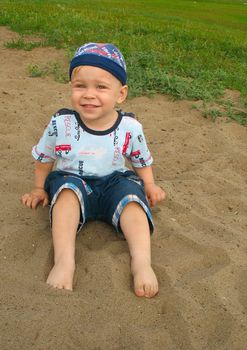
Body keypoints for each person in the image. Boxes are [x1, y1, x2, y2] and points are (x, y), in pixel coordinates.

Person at [21, 43, 166, 298]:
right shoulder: (61, 124)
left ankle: (141, 263)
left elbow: (141, 159)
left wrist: (150, 184)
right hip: (72, 180)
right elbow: (45, 157)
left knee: (133, 202)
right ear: (71, 88)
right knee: (66, 195)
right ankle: (64, 261)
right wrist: (37, 187)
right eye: (80, 86)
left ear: (120, 94)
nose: (89, 94)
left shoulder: (130, 127)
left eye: (101, 87)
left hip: (114, 181)